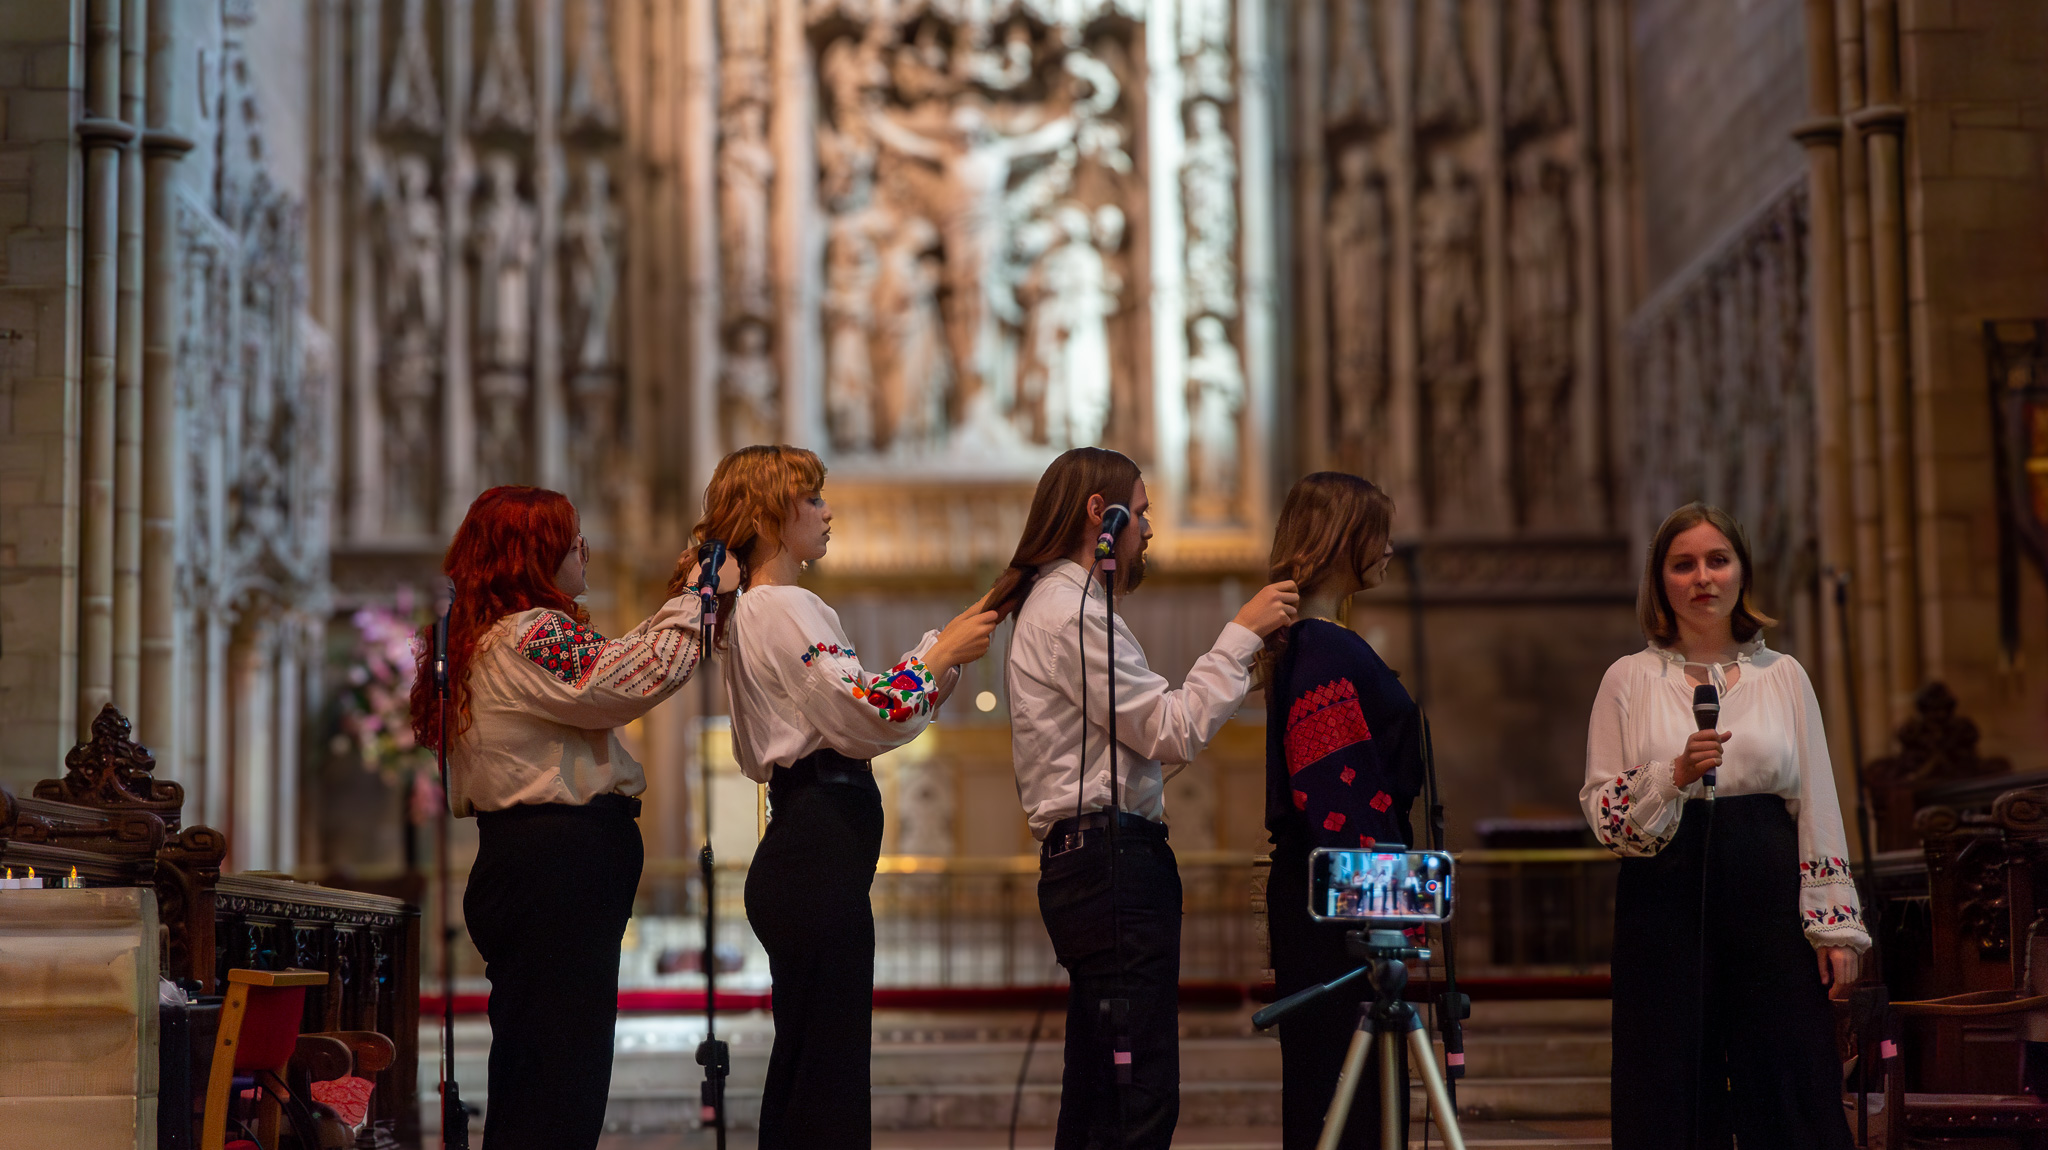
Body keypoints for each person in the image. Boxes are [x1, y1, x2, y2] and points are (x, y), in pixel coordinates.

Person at [990, 446, 1299, 1149]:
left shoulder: (1063, 605)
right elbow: (1169, 729)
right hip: (1112, 869)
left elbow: (1132, 762)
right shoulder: (1071, 610)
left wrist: (1242, 675)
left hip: (1099, 860)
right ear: (1101, 515)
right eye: (1143, 511)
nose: (1151, 528)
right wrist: (1240, 634)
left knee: (1103, 1090)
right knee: (1137, 1096)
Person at [412, 485, 732, 1150]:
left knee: (539, 1075)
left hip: (536, 868)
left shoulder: (495, 637)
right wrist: (701, 594)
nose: (584, 549)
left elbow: (613, 664)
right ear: (532, 554)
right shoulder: (530, 632)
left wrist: (683, 599)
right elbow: (631, 677)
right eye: (570, 538)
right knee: (559, 1087)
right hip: (555, 874)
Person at [699, 445, 998, 1150]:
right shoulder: (783, 606)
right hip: (816, 858)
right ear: (770, 518)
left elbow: (861, 702)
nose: (827, 512)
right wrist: (938, 655)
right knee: (827, 1082)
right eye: (811, 500)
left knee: (810, 1070)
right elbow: (868, 712)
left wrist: (939, 658)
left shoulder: (757, 610)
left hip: (808, 853)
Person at [1580, 502, 1865, 1150]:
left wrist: (1834, 925)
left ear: (1741, 571)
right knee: (1668, 1077)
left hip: (1769, 891)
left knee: (1791, 1073)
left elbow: (1817, 800)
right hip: (1664, 895)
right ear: (1660, 581)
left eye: (1717, 560)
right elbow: (1604, 815)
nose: (1702, 577)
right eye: (1683, 565)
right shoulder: (1628, 679)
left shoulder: (1783, 675)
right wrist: (1673, 775)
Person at [1256, 472, 1421, 1150]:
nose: (1390, 547)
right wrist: (1393, 907)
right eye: (1378, 532)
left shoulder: (1313, 641)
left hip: (1332, 894)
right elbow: (1337, 804)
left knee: (1342, 1094)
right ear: (1341, 538)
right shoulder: (1323, 648)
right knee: (1346, 1098)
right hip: (1342, 903)